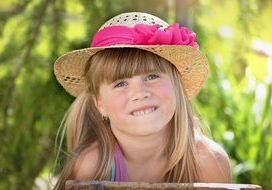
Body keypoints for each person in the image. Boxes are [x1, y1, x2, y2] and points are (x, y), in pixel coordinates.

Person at [53, 12, 231, 190]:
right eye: (121, 83)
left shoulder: (208, 163)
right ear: (100, 104)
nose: (140, 93)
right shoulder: (93, 168)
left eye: (152, 76)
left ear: (178, 86)